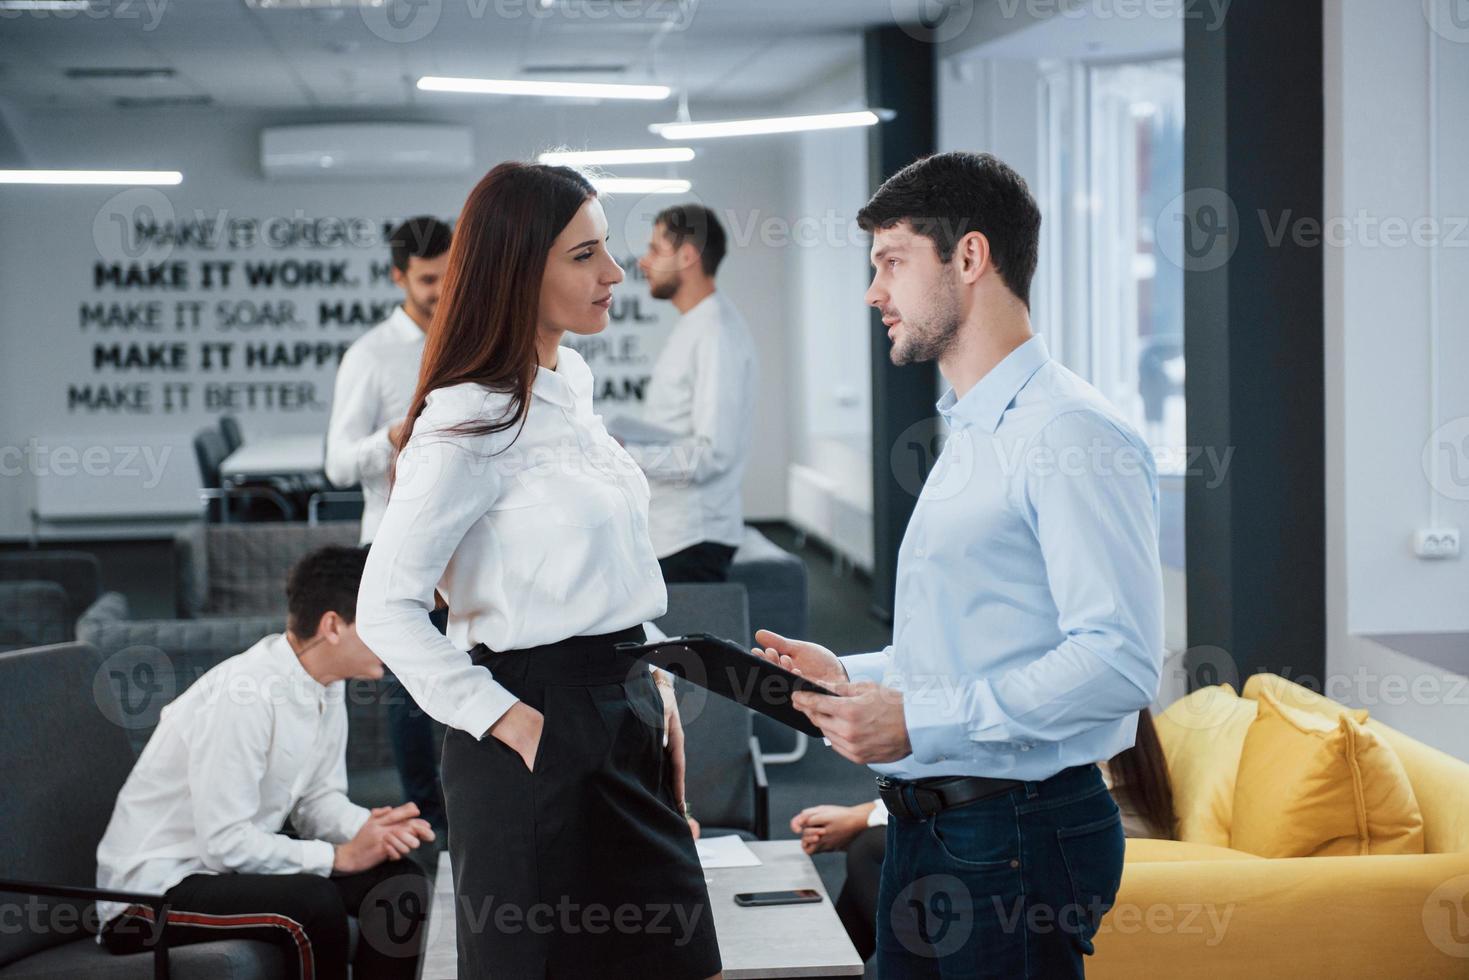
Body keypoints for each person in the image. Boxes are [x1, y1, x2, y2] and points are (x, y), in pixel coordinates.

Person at [755, 151, 1164, 977]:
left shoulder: (1070, 434)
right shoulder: (976, 430)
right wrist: (847, 670)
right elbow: (973, 645)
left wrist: (920, 720)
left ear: (969, 257)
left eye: (892, 262)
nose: (875, 291)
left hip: (1015, 832)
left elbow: (1117, 663)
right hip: (929, 821)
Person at [355, 162, 723, 980]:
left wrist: (654, 685)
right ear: (521, 269)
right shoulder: (464, 420)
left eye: (610, 251)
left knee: (677, 960)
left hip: (624, 697)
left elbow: (605, 563)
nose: (615, 274)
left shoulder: (570, 383)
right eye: (585, 254)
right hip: (533, 722)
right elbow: (384, 609)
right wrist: (513, 723)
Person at [96, 545, 433, 980]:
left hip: (219, 873)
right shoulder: (246, 695)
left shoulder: (325, 684)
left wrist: (368, 831)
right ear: (332, 625)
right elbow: (225, 842)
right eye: (383, 622)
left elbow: (317, 802)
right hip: (149, 896)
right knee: (314, 904)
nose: (398, 637)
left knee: (399, 884)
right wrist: (337, 857)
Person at [793, 709, 1177, 963]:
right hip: (1029, 833)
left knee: (876, 851)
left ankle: (827, 967)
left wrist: (863, 818)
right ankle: (826, 967)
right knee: (883, 852)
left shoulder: (1079, 743)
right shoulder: (1120, 727)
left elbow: (996, 785)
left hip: (1079, 852)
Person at [324, 215, 452, 837]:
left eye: (449, 275)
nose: (440, 290)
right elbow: (337, 463)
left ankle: (476, 806)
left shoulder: (471, 337)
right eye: (428, 279)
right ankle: (428, 817)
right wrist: (391, 437)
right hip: (395, 541)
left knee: (478, 671)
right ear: (399, 275)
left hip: (466, 541)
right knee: (409, 688)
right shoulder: (369, 356)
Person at [628, 203, 757, 584]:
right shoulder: (695, 324)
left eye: (655, 249)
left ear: (687, 256)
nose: (644, 263)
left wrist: (625, 454)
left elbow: (712, 454)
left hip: (693, 539)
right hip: (672, 533)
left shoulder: (716, 332)